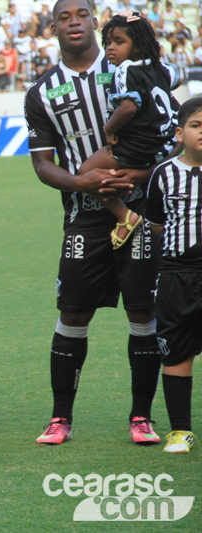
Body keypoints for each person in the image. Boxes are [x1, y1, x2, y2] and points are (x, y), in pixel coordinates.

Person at [25, 0, 165, 446]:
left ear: (94, 22)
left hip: (141, 210)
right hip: (83, 217)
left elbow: (170, 135)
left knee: (143, 311)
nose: (73, 22)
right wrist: (83, 183)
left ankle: (141, 417)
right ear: (53, 28)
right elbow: (43, 165)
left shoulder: (129, 68)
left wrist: (138, 175)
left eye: (81, 14)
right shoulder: (42, 92)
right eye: (64, 16)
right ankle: (60, 418)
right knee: (73, 312)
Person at [76, 12, 180, 250]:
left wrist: (109, 129)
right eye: (108, 42)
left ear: (137, 46)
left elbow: (128, 108)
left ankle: (125, 215)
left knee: (86, 174)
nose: (111, 48)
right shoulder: (160, 68)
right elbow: (177, 77)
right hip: (164, 144)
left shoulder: (124, 71)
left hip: (137, 146)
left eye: (119, 42)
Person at [144, 97, 202, 454]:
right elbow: (156, 224)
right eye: (197, 125)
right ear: (180, 133)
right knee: (177, 352)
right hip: (178, 275)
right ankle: (180, 430)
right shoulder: (164, 173)